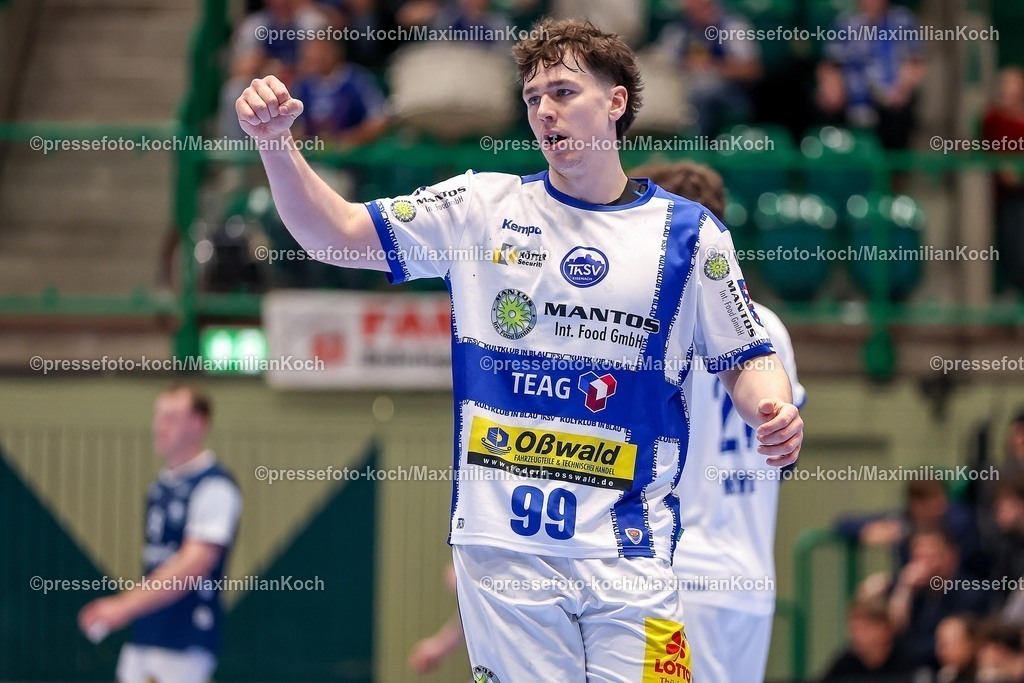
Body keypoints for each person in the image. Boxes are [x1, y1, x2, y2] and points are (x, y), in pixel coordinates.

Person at [236, 17, 803, 680]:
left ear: (616, 102)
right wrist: (277, 145)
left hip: (634, 555)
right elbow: (337, 235)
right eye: (533, 98)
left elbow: (746, 352)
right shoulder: (479, 206)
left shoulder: (690, 236)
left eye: (563, 92)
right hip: (506, 555)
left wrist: (772, 405)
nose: (545, 111)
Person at [633, 160, 805, 683]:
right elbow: (786, 451)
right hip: (750, 583)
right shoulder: (768, 326)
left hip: (678, 581)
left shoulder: (658, 321)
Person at [78, 384, 242, 683]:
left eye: (171, 417)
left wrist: (123, 606)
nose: (159, 426)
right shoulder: (161, 486)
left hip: (183, 640)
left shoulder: (214, 487)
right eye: (158, 416)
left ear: (198, 424)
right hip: (147, 632)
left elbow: (195, 563)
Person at [815, 0, 926, 149]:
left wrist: (901, 87)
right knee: (823, 104)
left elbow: (916, 63)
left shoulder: (902, 20)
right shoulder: (845, 21)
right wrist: (833, 86)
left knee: (899, 114)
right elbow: (830, 64)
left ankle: (894, 169)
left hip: (888, 95)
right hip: (851, 95)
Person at [655, 0, 762, 136]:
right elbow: (662, 66)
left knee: (703, 90)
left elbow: (753, 71)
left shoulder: (733, 27)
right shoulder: (676, 31)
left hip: (729, 94)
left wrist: (712, 67)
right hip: (682, 88)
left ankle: (699, 147)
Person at [888, 528, 989, 669]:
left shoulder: (970, 593)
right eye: (918, 558)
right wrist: (904, 589)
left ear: (952, 555)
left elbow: (953, 649)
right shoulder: (916, 592)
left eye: (931, 556)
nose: (924, 565)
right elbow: (894, 631)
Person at [292, 39, 389, 146]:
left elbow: (379, 120)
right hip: (316, 154)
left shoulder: (357, 80)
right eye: (310, 52)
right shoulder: (304, 84)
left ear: (336, 52)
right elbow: (298, 127)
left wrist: (351, 138)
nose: (315, 55)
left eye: (321, 51)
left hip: (354, 153)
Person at [820, 598, 914, 683]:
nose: (856, 635)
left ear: (886, 629)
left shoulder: (910, 662)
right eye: (854, 628)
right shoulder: (846, 662)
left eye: (864, 629)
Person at [934, 614, 979, 683]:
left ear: (969, 643)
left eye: (946, 645)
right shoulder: (944, 675)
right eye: (939, 645)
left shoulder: (985, 675)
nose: (941, 652)